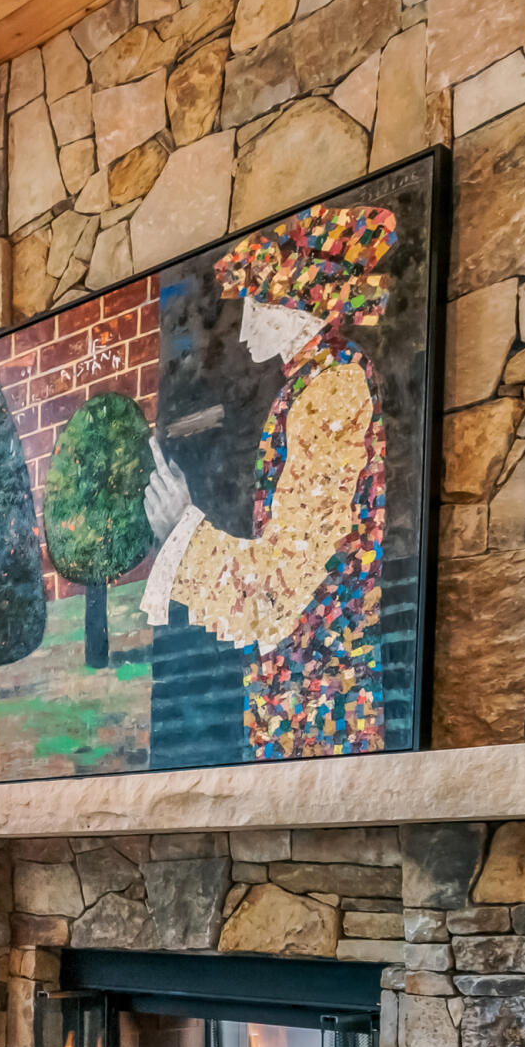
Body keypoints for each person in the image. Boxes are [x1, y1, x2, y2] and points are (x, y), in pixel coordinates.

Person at [138, 205, 397, 758]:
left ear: (296, 310)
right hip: (301, 691)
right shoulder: (308, 387)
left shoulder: (333, 389)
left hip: (321, 697)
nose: (245, 320)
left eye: (256, 303)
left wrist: (184, 527)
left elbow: (283, 584)